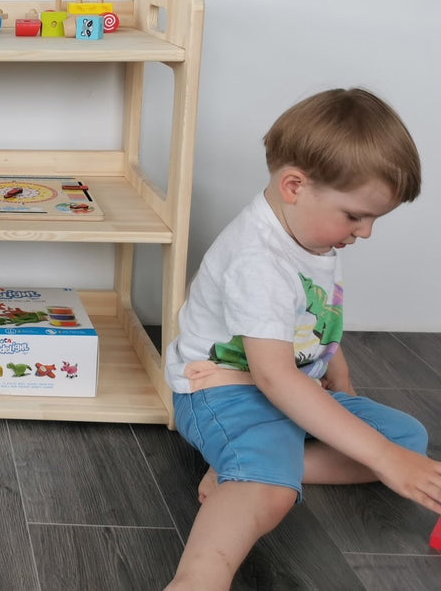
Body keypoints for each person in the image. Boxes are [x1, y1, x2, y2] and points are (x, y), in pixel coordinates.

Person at [163, 88, 440, 590]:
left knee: (408, 441)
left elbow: (310, 316)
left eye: (375, 218)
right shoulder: (258, 261)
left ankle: (245, 470)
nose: (366, 232)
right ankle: (200, 576)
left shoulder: (307, 230)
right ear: (294, 185)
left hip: (286, 387)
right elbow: (271, 376)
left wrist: (340, 374)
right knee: (277, 492)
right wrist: (379, 459)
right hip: (224, 392)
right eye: (356, 216)